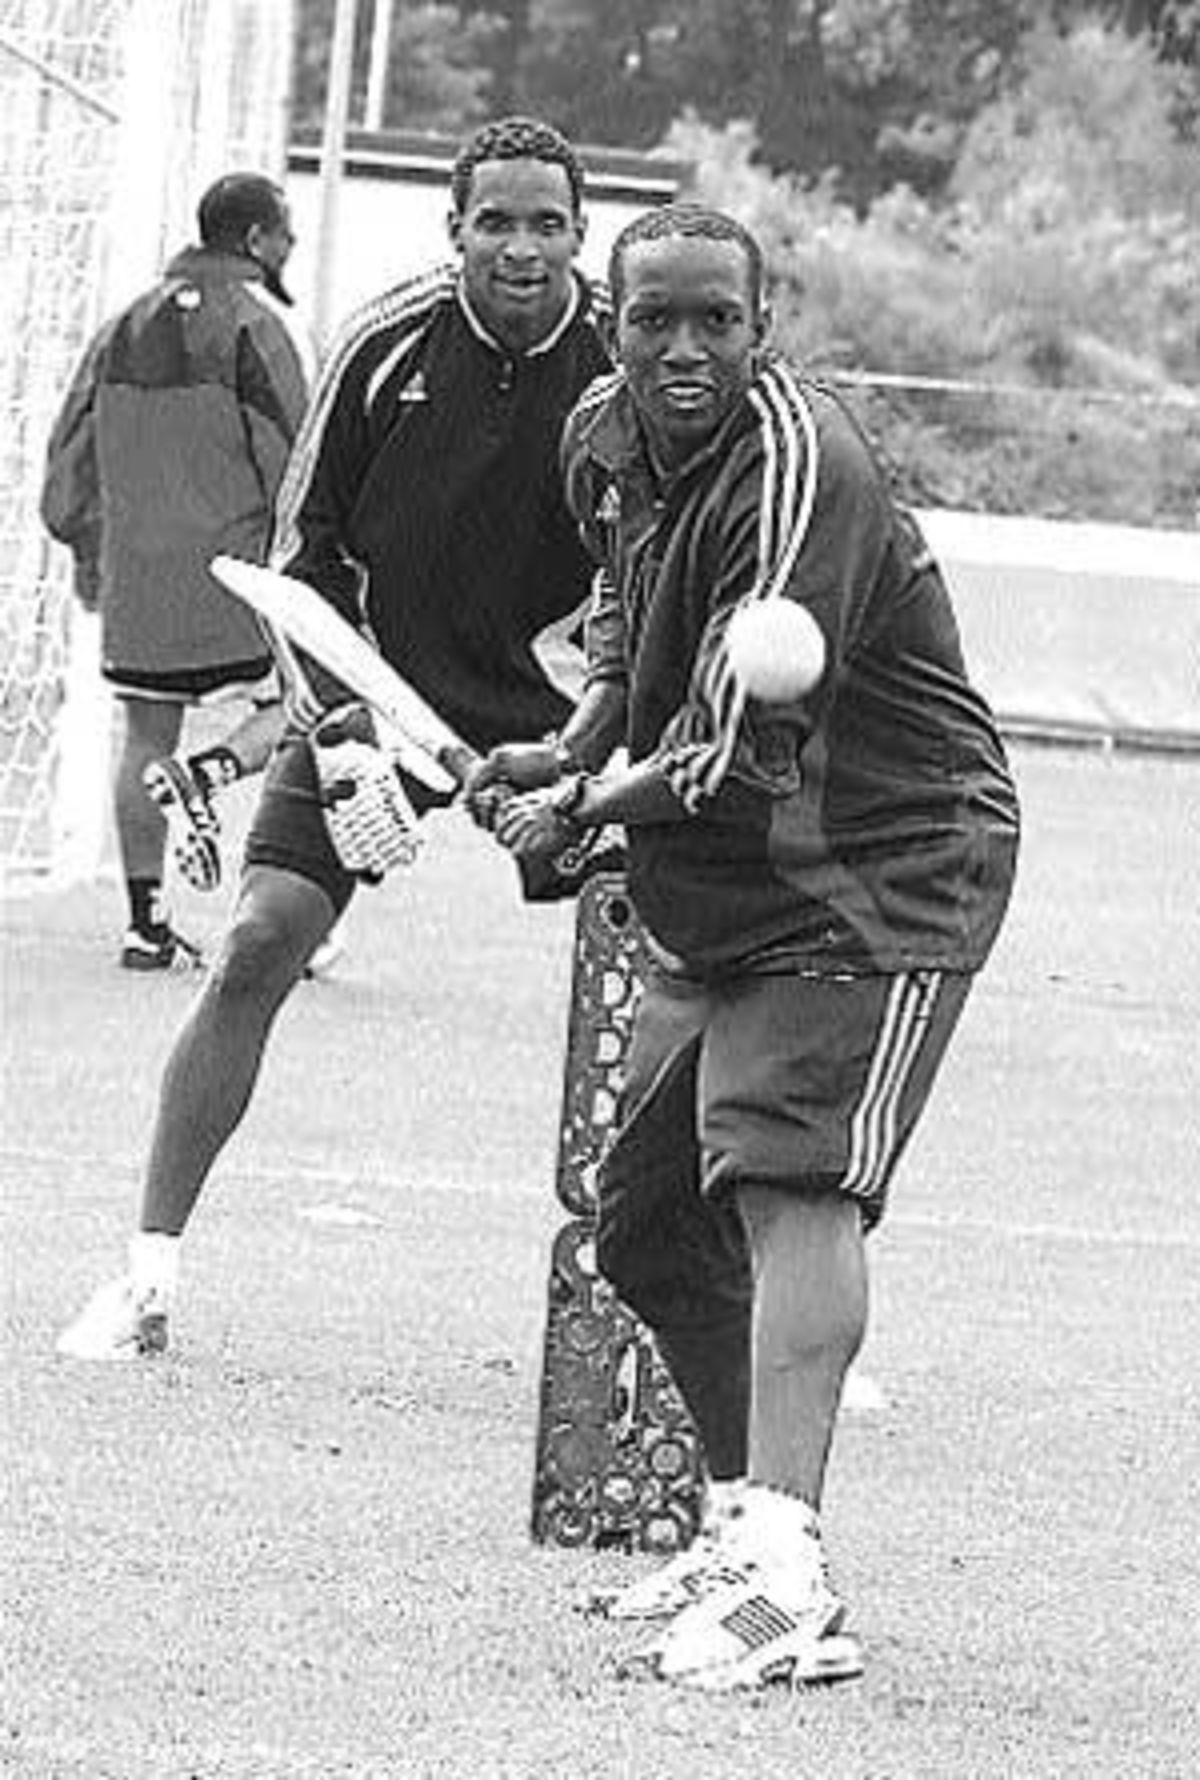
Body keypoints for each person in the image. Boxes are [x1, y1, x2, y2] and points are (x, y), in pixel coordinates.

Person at [468, 203, 1021, 1692]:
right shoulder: (602, 437)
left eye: (719, 319)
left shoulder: (795, 467)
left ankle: (790, 1578)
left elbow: (723, 741)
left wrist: (580, 809)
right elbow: (621, 618)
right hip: (726, 885)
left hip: (881, 869)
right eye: (656, 320)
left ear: (762, 328)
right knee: (643, 1214)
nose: (687, 348)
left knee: (789, 1177)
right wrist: (569, 741)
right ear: (613, 323)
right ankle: (732, 1524)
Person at [55, 116, 613, 1360]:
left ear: (581, 235)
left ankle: (749, 1314)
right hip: (386, 699)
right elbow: (301, 562)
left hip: (566, 718)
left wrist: (588, 748)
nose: (521, 249)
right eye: (496, 222)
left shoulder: (628, 359)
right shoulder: (382, 346)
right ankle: (145, 1277)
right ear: (454, 228)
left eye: (547, 225)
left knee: (688, 971)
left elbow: (662, 577)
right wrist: (349, 734)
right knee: (258, 941)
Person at [41, 172, 311, 968]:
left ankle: (145, 924)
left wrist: (89, 544)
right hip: (237, 578)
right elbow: (295, 460)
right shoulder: (253, 329)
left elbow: (67, 458)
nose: (290, 244)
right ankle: (220, 793)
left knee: (143, 735)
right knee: (308, 713)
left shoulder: (119, 328)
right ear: (258, 239)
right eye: (284, 230)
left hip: (140, 580)